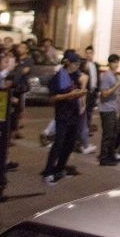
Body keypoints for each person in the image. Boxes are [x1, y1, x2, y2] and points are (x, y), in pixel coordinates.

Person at [42, 51, 87, 185]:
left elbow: (81, 87)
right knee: (58, 144)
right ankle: (48, 172)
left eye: (79, 64)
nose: (77, 66)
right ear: (67, 62)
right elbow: (51, 98)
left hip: (74, 115)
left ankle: (60, 169)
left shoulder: (76, 75)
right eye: (75, 63)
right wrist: (69, 96)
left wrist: (81, 92)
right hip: (62, 115)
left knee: (70, 144)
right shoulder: (60, 76)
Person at [98, 54, 120, 166]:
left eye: (117, 62)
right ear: (109, 63)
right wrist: (117, 85)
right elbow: (104, 93)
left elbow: (117, 93)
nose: (116, 65)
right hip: (106, 109)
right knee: (108, 134)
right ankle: (104, 158)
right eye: (114, 62)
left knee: (114, 133)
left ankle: (111, 155)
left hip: (113, 109)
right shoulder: (106, 75)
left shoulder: (114, 76)